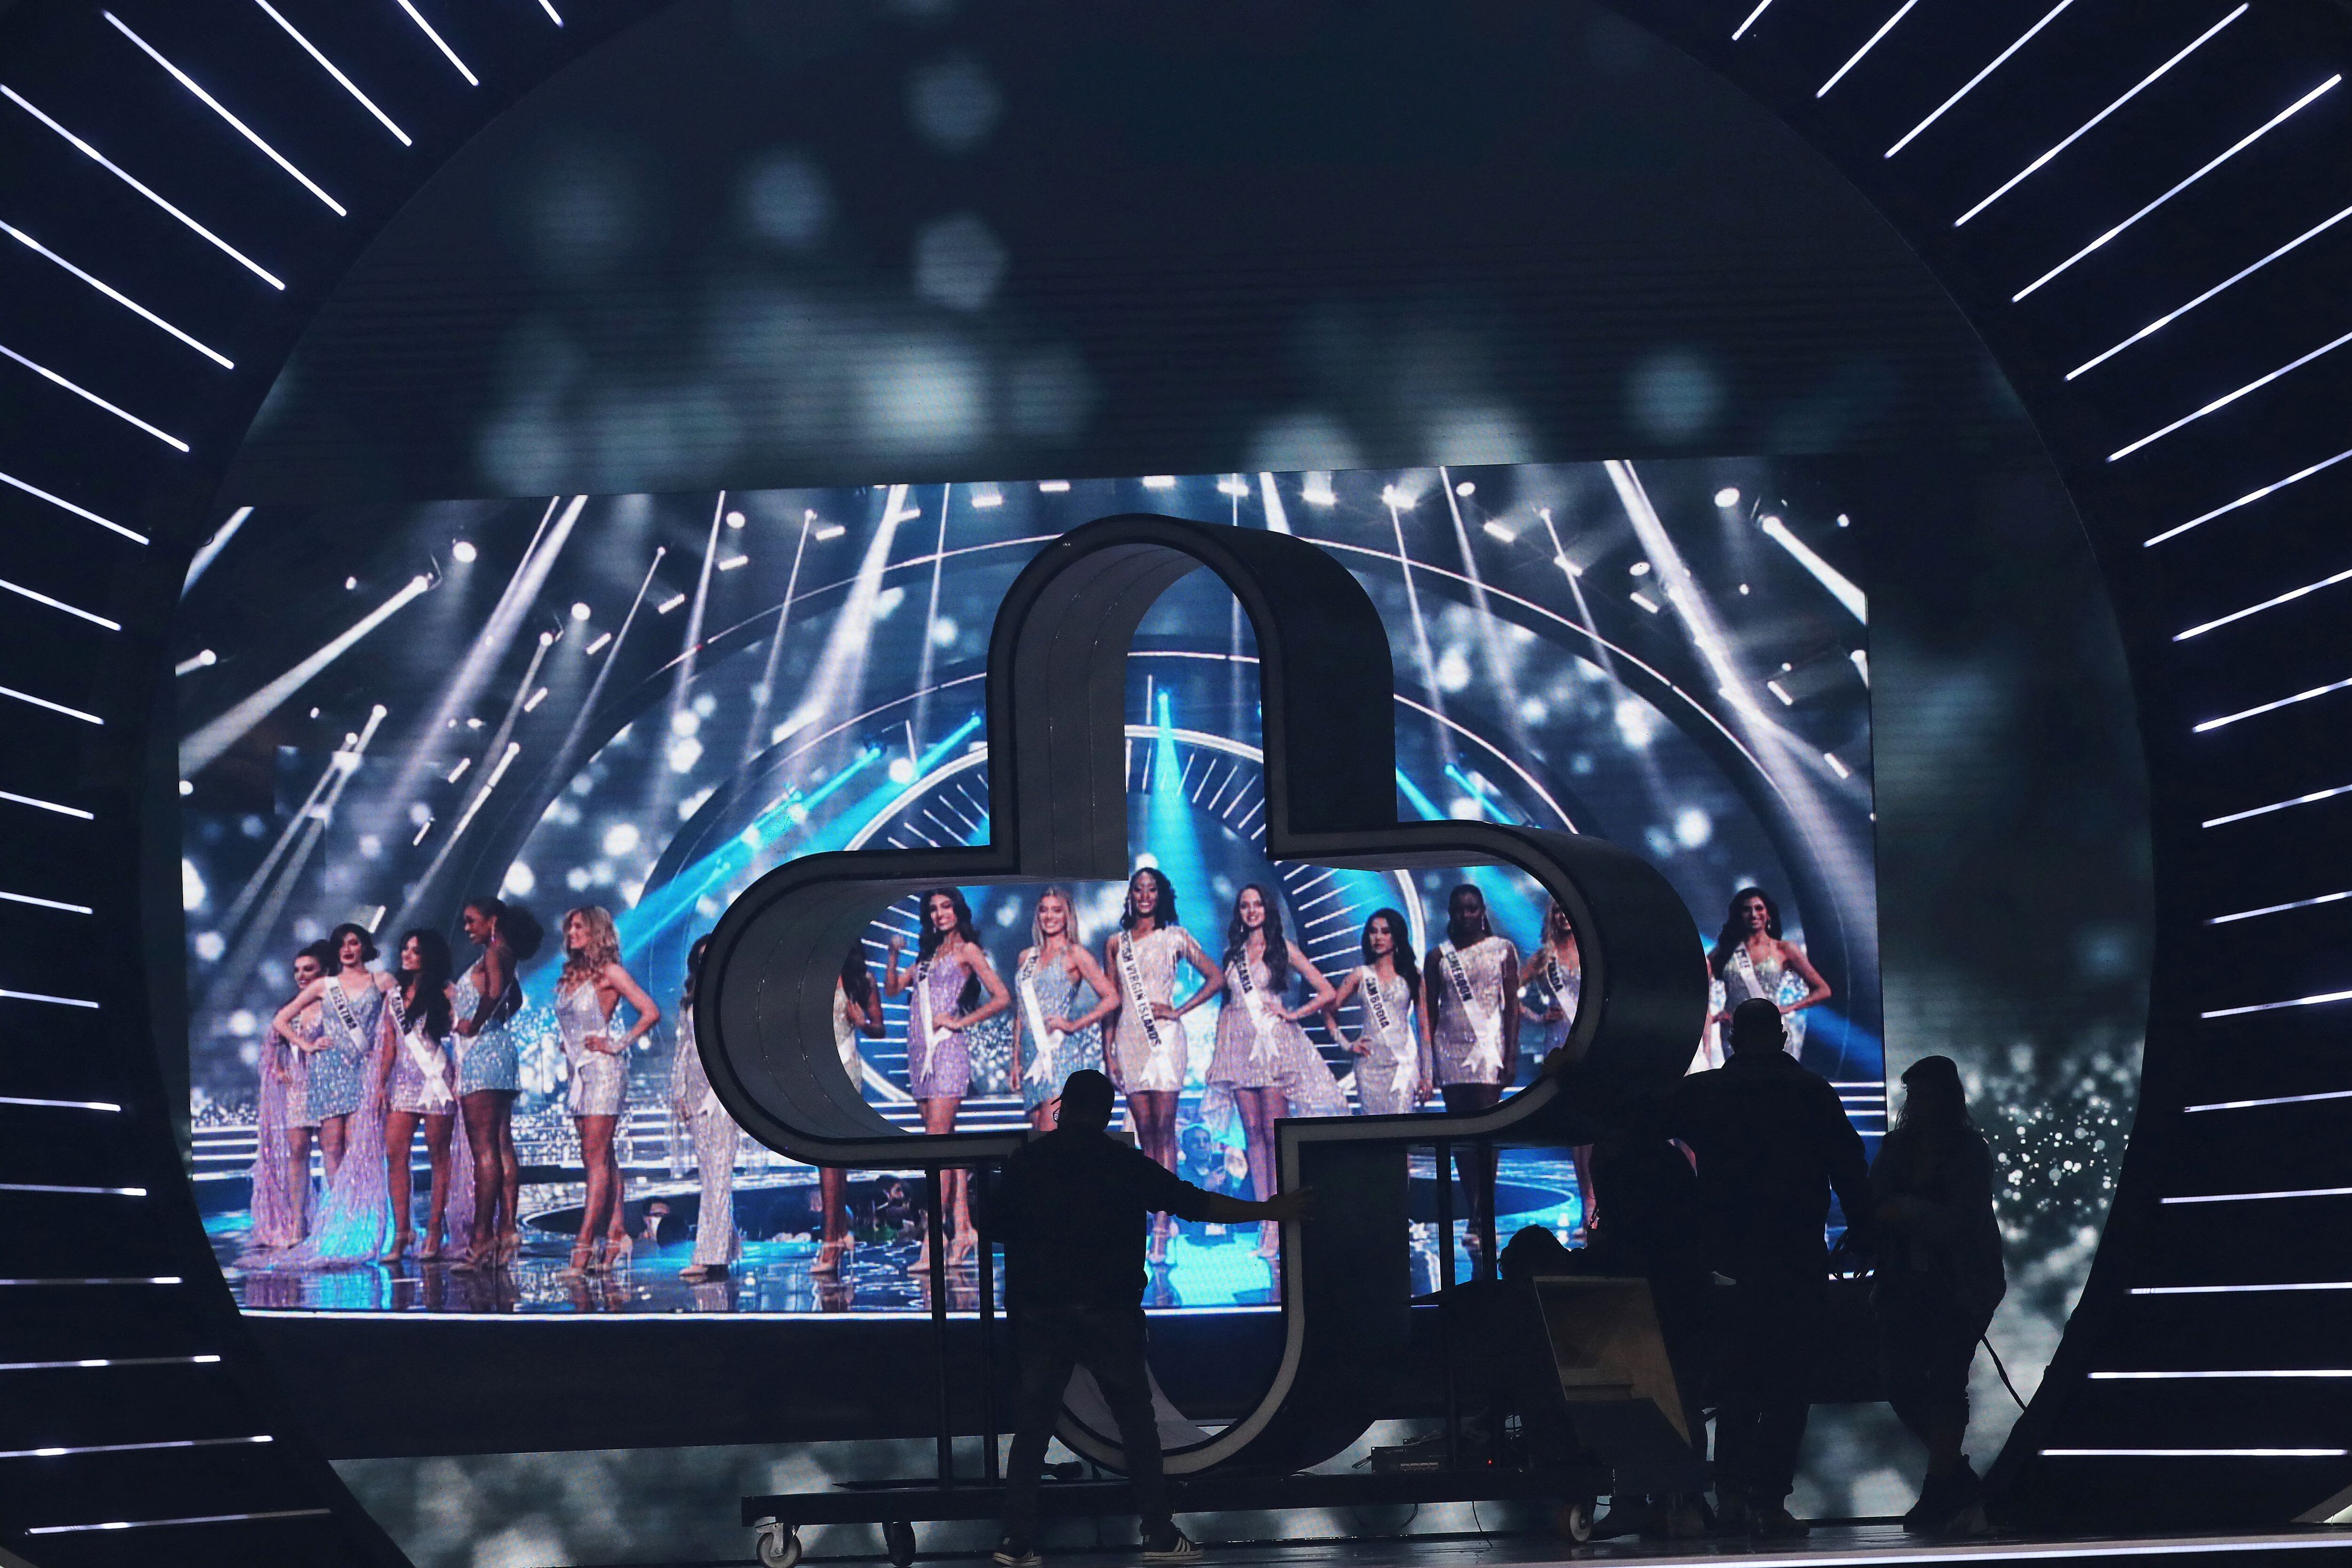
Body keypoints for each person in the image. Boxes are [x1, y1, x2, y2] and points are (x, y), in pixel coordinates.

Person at [987, 1070, 1309, 1568]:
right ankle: (1158, 1535)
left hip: (1042, 1314)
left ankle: (1016, 1540)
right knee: (1138, 1431)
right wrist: (1269, 1209)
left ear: (1062, 1110)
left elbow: (993, 1226)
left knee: (1032, 1430)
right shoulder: (1124, 1164)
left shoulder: (1028, 1163)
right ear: (1109, 1114)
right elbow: (1195, 1204)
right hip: (1109, 1313)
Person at [1667, 998, 1872, 1539]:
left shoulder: (1702, 1093)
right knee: (1787, 1387)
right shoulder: (1810, 1092)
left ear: (1732, 1038)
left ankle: (1730, 1496)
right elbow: (1850, 1170)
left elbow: (1641, 1122)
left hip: (1725, 1265)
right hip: (1794, 1261)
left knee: (1734, 1382)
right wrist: (1869, 1239)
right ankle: (1767, 1501)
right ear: (1781, 1037)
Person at [1872, 1055, 2004, 1537]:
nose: (1915, 1104)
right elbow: (1873, 1206)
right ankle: (1956, 1482)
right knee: (1899, 1382)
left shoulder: (1969, 1151)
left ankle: (1939, 1487)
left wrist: (1905, 1211)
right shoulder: (1896, 1147)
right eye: (1912, 1094)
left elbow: (1959, 1221)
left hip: (1959, 1285)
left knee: (1947, 1380)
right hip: (1904, 1287)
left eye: (1923, 1093)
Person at [1205, 884, 1343, 1260]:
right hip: (1237, 1047)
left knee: (1273, 1132)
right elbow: (1227, 1005)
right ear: (1240, 912)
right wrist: (1219, 1057)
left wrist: (1292, 1014)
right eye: (1245, 906)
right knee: (1252, 1135)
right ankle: (1268, 1222)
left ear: (1267, 909)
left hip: (1273, 1047)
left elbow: (1326, 990)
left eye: (1257, 905)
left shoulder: (1282, 947)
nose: (1252, 911)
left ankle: (1283, 1222)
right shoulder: (1233, 954)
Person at [1101, 867, 1223, 1264]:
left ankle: (1162, 1227)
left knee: (1166, 1130)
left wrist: (1179, 1009)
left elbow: (1216, 977)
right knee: (1145, 1132)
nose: (1145, 895)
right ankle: (1155, 1215)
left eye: (1152, 889)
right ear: (1131, 896)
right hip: (1130, 1039)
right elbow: (1112, 1000)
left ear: (1161, 895)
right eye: (1138, 889)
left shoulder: (1176, 936)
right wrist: (1108, 1053)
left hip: (1167, 1039)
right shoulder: (1115, 944)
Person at [886, 888, 1011, 1269]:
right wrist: (893, 955)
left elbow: (1002, 996)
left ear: (958, 910)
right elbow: (893, 989)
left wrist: (960, 1020)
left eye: (946, 907)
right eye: (933, 909)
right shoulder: (926, 957)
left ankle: (933, 1240)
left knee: (936, 1149)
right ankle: (964, 1229)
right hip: (919, 1052)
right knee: (947, 1147)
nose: (940, 914)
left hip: (947, 1052)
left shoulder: (968, 951)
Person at [264, 923, 398, 1266]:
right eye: (342, 945)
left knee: (359, 1147)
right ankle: (338, 1224)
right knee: (333, 1148)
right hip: (327, 1071)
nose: (348, 949)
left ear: (364, 946)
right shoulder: (326, 985)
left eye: (354, 943)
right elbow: (281, 1019)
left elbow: (400, 1021)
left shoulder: (383, 981)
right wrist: (307, 1045)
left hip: (363, 1071)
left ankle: (360, 1220)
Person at [554, 905, 662, 1274]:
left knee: (595, 1159)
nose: (572, 934)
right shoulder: (570, 974)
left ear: (597, 931)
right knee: (603, 1157)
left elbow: (650, 1010)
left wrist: (618, 1043)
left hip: (603, 1073)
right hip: (578, 1075)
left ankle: (584, 1245)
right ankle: (617, 1232)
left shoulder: (610, 972)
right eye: (569, 928)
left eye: (579, 927)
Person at [1420, 883, 1520, 1276]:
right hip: (1450, 1050)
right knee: (1463, 1135)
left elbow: (1512, 1005)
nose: (1465, 915)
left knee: (1486, 1132)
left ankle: (1483, 1211)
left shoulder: (1503, 949)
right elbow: (1429, 1011)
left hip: (1487, 1049)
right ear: (1451, 912)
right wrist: (1428, 1062)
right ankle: (1474, 1210)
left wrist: (1510, 1055)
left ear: (1482, 910)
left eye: (1472, 908)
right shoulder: (1437, 956)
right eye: (1459, 909)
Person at [453, 896, 540, 1271]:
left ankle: (481, 1238)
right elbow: (514, 997)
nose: (467, 928)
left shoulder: (494, 952)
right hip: (502, 1051)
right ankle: (506, 1229)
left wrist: (475, 1022)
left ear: (493, 921)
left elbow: (494, 993)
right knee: (502, 1144)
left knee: (484, 1149)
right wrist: (496, 1020)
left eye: (473, 920)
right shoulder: (508, 956)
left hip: (483, 1053)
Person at [381, 929, 467, 1263]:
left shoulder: (447, 991)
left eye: (415, 950)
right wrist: (380, 1083)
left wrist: (461, 1078)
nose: (407, 954)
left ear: (430, 955)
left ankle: (434, 1230)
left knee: (438, 1156)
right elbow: (390, 1042)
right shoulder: (394, 995)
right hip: (403, 1080)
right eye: (404, 948)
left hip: (437, 1078)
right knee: (395, 1152)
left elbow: (460, 1038)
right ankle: (402, 1232)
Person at [1011, 887, 1118, 1133]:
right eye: (1044, 910)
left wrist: (1073, 1025)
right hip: (1031, 1054)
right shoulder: (1026, 957)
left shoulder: (1075, 954)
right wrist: (1015, 1060)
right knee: (1038, 1135)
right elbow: (1022, 1012)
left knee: (1052, 1135)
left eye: (1056, 910)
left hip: (1060, 1053)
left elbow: (1112, 998)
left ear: (1067, 915)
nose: (1049, 916)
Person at [250, 940, 332, 1250]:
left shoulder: (333, 1004)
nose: (301, 975)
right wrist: (279, 1069)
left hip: (330, 1086)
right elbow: (272, 1047)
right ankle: (298, 1221)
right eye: (297, 970)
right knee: (298, 1152)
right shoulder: (289, 1007)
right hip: (299, 1088)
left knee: (331, 1153)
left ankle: (333, 1221)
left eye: (308, 969)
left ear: (323, 971)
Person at [671, 935, 742, 1283]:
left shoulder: (731, 997)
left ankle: (708, 1255)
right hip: (696, 1090)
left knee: (718, 1174)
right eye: (701, 959)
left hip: (722, 1094)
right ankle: (725, 1249)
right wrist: (679, 1091)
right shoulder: (690, 1000)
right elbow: (684, 1048)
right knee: (709, 1175)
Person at [815, 944, 886, 1278]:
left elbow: (879, 1027)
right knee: (828, 1160)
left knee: (832, 1156)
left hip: (846, 1066)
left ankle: (831, 1242)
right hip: (815, 1070)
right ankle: (840, 1233)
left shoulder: (863, 979)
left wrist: (862, 1021)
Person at [1325, 909, 1429, 1116]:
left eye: (1385, 932)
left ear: (1396, 936)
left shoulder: (1412, 974)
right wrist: (1346, 1044)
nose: (1379, 937)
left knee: (1402, 1136)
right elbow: (1328, 1011)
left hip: (1403, 1064)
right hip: (1369, 1068)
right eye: (1374, 932)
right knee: (1376, 1137)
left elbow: (1424, 1026)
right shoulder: (1360, 975)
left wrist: (1428, 1076)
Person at [1707, 888, 1830, 1061]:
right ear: (1739, 915)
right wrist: (1713, 1015)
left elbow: (1823, 990)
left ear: (1768, 913)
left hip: (1771, 1031)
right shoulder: (1727, 950)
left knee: (1775, 1085)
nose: (1753, 914)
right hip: (1735, 1033)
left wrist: (1786, 1008)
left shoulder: (1784, 949)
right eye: (1746, 909)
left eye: (1759, 908)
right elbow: (1698, 979)